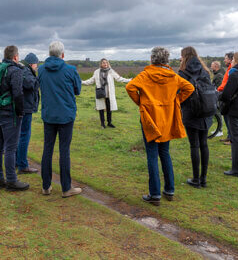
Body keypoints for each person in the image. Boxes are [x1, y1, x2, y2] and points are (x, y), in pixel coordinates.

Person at [126, 47, 194, 205]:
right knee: (165, 153)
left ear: (152, 59)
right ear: (167, 60)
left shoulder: (145, 74)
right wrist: (176, 101)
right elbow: (189, 88)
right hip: (167, 119)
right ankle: (169, 190)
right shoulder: (173, 76)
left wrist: (141, 103)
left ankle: (155, 194)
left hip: (150, 119)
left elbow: (130, 87)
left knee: (151, 155)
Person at [38, 41, 82, 197]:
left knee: (47, 149)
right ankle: (66, 188)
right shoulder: (70, 70)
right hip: (65, 115)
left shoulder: (41, 70)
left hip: (49, 114)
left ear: (50, 54)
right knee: (64, 150)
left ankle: (46, 186)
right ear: (62, 54)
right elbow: (78, 90)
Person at [0, 46, 29, 191]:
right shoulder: (16, 71)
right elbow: (18, 94)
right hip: (9, 115)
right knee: (11, 148)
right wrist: (20, 112)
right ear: (16, 57)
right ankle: (12, 180)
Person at [178, 47, 213, 188]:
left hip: (191, 111)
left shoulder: (182, 72)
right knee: (204, 144)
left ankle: (196, 179)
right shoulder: (205, 71)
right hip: (206, 110)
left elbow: (179, 91)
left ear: (184, 56)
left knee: (194, 145)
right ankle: (203, 179)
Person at [82, 58, 131, 129]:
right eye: (103, 63)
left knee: (109, 108)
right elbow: (91, 81)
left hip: (109, 93)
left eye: (106, 63)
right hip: (100, 92)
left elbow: (119, 78)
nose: (105, 64)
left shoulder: (111, 71)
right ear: (101, 64)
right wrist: (81, 82)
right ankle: (102, 124)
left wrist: (129, 80)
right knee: (101, 108)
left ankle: (109, 123)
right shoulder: (96, 72)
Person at [16, 53, 40, 174]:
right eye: (36, 63)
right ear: (31, 63)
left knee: (20, 135)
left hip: (22, 106)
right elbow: (30, 85)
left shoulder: (22, 70)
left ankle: (17, 161)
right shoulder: (26, 71)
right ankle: (23, 165)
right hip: (25, 107)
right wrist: (38, 78)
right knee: (24, 135)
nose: (37, 66)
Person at [217, 52, 234, 144]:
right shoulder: (229, 68)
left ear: (231, 60)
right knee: (226, 116)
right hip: (223, 92)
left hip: (227, 95)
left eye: (226, 58)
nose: (224, 60)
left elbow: (229, 84)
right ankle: (229, 136)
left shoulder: (232, 69)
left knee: (228, 117)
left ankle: (231, 138)